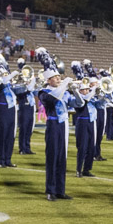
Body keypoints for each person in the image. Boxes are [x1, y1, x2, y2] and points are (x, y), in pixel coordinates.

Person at [36, 49, 81, 201]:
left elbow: (78, 104)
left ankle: (60, 190)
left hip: (64, 126)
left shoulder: (64, 92)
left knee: (62, 157)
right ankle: (50, 190)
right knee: (53, 157)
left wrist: (76, 92)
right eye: (54, 77)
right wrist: (65, 85)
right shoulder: (44, 92)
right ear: (48, 80)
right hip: (53, 125)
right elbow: (52, 99)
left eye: (58, 76)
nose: (58, 79)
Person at [15, 59, 36, 155]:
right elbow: (25, 90)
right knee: (23, 128)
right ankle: (22, 148)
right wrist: (29, 83)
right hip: (24, 107)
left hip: (30, 106)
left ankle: (27, 147)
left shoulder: (28, 84)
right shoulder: (19, 84)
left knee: (29, 128)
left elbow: (34, 91)